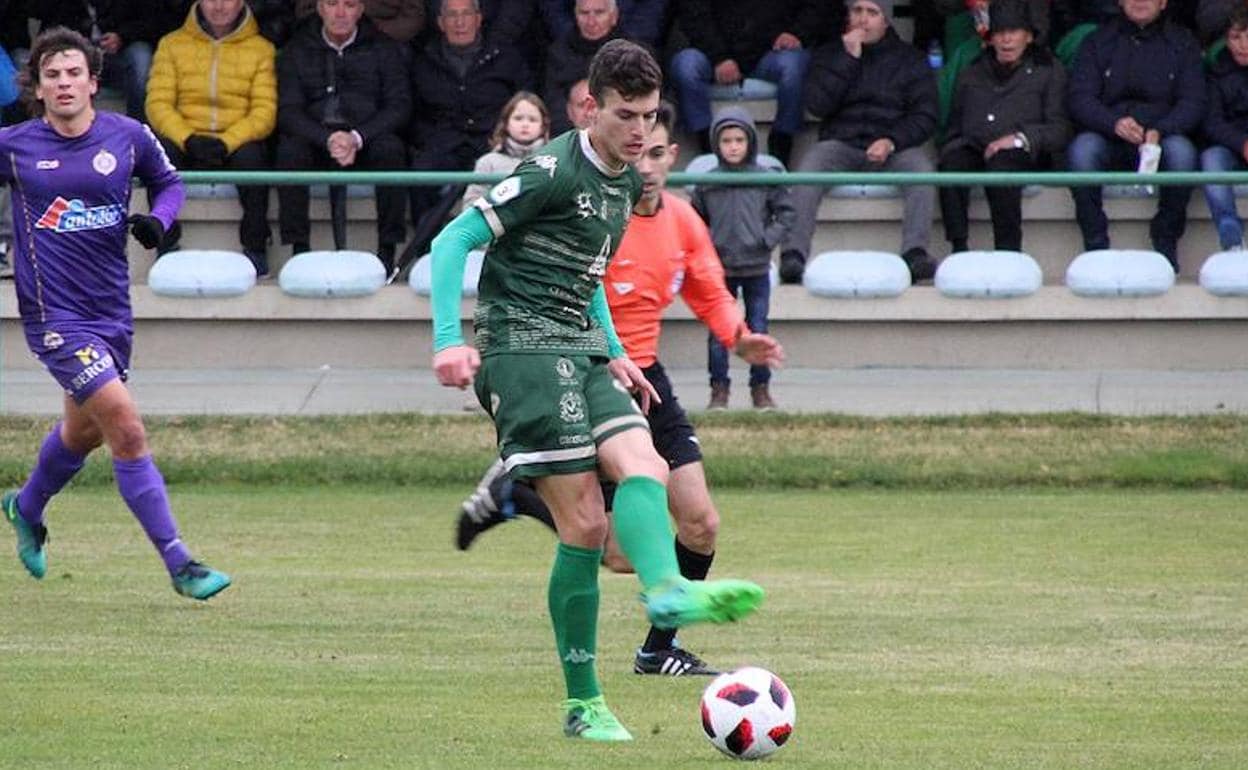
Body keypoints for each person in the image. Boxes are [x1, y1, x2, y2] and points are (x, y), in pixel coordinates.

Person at [428, 39, 765, 741]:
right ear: (590, 105)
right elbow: (451, 242)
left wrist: (615, 352)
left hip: (583, 350)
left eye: (648, 116)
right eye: (625, 115)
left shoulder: (625, 178)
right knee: (585, 525)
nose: (640, 131)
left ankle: (666, 588)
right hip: (521, 349)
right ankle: (584, 702)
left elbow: (587, 277)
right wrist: (446, 341)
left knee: (647, 467)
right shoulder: (550, 169)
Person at [0, 27, 230, 600]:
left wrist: (161, 220)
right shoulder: (15, 145)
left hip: (111, 313)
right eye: (52, 75)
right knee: (125, 428)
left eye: (73, 73)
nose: (64, 83)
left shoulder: (126, 136)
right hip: (55, 318)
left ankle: (26, 508)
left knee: (82, 433)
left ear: (93, 82)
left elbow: (168, 183)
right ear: (38, 88)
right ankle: (181, 563)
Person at [777, 0, 940, 284]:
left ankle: (915, 253)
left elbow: (925, 115)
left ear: (886, 20)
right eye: (857, 11)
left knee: (922, 171)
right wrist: (847, 60)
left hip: (893, 147)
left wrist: (891, 140)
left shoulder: (910, 59)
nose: (863, 20)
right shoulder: (829, 54)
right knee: (808, 169)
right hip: (842, 143)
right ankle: (793, 255)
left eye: (872, 12)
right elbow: (817, 105)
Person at [1066, 0, 1206, 270]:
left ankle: (1165, 237)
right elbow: (1080, 97)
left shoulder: (1183, 42)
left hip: (1162, 136)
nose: (1139, 2)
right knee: (1081, 152)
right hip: (1108, 134)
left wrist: (1161, 129)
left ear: (1164, 3)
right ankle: (1095, 243)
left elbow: (1194, 102)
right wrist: (1113, 123)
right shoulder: (1097, 41)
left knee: (1183, 154)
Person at [275, 0, 410, 273]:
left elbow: (399, 106)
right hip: (316, 138)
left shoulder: (385, 48)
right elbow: (289, 110)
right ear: (319, 8)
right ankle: (299, 250)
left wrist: (356, 138)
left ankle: (387, 251)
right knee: (289, 152)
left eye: (349, 5)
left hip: (367, 137)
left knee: (392, 149)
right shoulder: (297, 49)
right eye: (332, 4)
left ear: (361, 10)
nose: (340, 13)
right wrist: (328, 139)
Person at [146, 0, 277, 274]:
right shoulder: (171, 44)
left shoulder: (262, 49)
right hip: (187, 140)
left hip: (235, 142)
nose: (219, 6)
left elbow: (264, 112)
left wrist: (228, 141)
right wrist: (188, 139)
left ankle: (255, 248)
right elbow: (158, 104)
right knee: (159, 154)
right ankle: (166, 246)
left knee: (253, 157)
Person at [938, 0, 1071, 253]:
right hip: (974, 146)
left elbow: (1060, 130)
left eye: (1013, 32)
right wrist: (958, 145)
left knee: (1002, 167)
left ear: (1028, 37)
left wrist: (1019, 139)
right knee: (952, 164)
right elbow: (955, 124)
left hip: (1024, 151)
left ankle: (1008, 251)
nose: (1006, 40)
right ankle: (958, 247)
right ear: (990, 39)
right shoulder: (972, 70)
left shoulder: (1049, 70)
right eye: (999, 33)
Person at [407, 0, 531, 256]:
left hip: (493, 143)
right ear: (440, 23)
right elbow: (411, 112)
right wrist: (432, 139)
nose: (460, 22)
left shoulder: (506, 56)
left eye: (466, 14)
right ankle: (424, 252)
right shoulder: (423, 59)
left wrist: (502, 139)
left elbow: (524, 103)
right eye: (452, 16)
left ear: (478, 18)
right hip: (442, 143)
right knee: (420, 173)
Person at [692, 107, 794, 411]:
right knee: (719, 333)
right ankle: (719, 390)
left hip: (756, 266)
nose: (733, 146)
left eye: (739, 139)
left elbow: (786, 212)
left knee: (758, 327)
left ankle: (760, 389)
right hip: (720, 269)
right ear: (716, 145)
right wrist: (709, 247)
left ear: (750, 141)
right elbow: (696, 220)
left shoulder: (766, 178)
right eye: (726, 140)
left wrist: (767, 240)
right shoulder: (707, 182)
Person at [668, 0, 823, 165]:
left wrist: (796, 33)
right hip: (712, 55)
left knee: (793, 66)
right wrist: (719, 57)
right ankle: (709, 146)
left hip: (772, 53)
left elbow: (819, 7)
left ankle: (781, 147)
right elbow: (693, 14)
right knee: (686, 65)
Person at [1199, 5, 1248, 251]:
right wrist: (1242, 143)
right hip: (1231, 147)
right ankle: (1231, 235)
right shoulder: (1216, 72)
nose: (1243, 45)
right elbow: (1211, 122)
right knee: (1211, 158)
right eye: (1235, 37)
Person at [544, 0, 621, 135]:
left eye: (599, 13)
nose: (591, 21)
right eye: (584, 13)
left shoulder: (632, 54)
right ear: (575, 16)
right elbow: (552, 102)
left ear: (614, 16)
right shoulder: (557, 54)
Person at [461, 91, 550, 206]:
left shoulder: (556, 160)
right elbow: (471, 204)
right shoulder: (488, 162)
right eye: (518, 118)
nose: (525, 124)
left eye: (532, 119)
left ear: (543, 126)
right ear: (506, 123)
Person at [540, 0, 669, 51]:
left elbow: (651, 13)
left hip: (631, 47)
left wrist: (620, 41)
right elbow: (554, 11)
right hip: (573, 48)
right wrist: (578, 40)